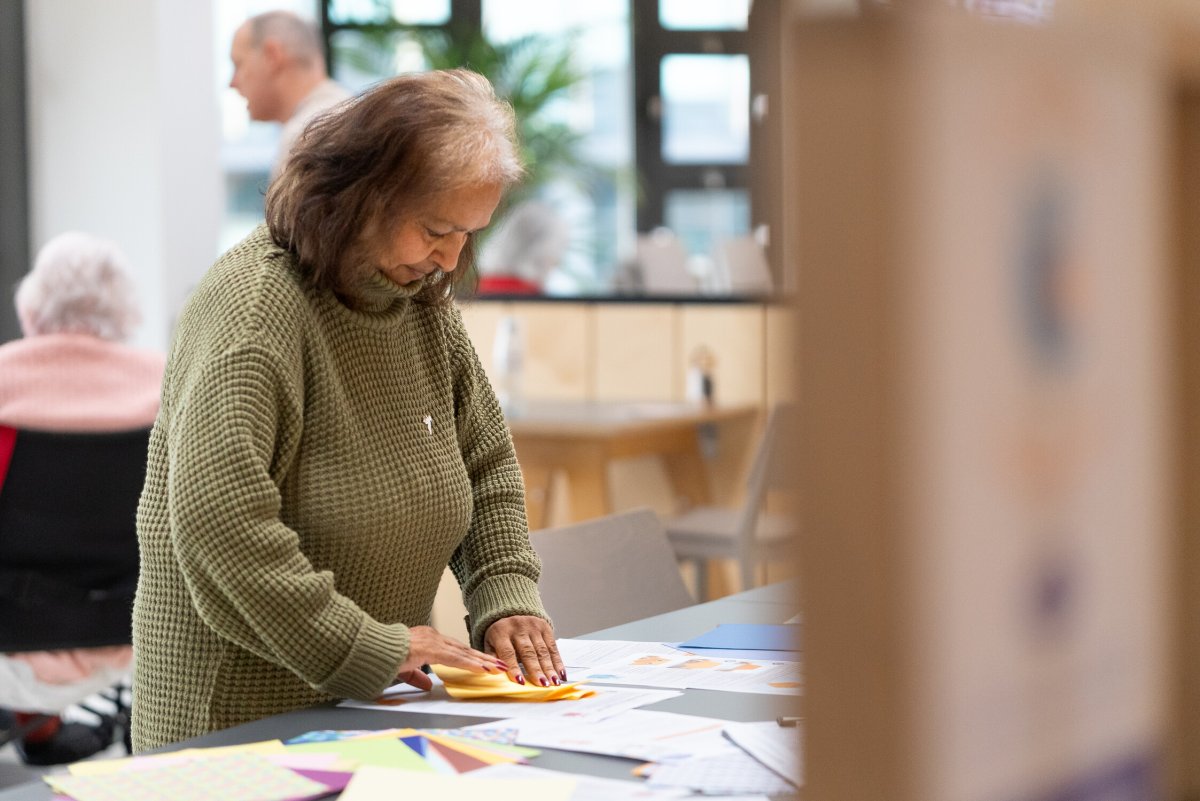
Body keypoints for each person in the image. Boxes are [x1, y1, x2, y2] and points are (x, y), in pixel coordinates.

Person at [131, 69, 566, 752]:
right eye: (435, 228)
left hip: (365, 711)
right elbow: (221, 527)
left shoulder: (420, 305)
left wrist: (506, 592)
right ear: (364, 197)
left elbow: (485, 469)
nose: (451, 257)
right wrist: (373, 649)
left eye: (469, 234)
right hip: (236, 727)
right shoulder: (255, 310)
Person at [0, 231, 165, 765]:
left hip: (13, 637)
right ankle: (41, 730)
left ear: (31, 305)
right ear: (124, 310)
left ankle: (35, 722)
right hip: (136, 633)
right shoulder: (167, 382)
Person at [228, 10, 351, 178]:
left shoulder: (306, 139)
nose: (232, 83)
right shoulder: (350, 112)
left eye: (238, 64)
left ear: (272, 56)